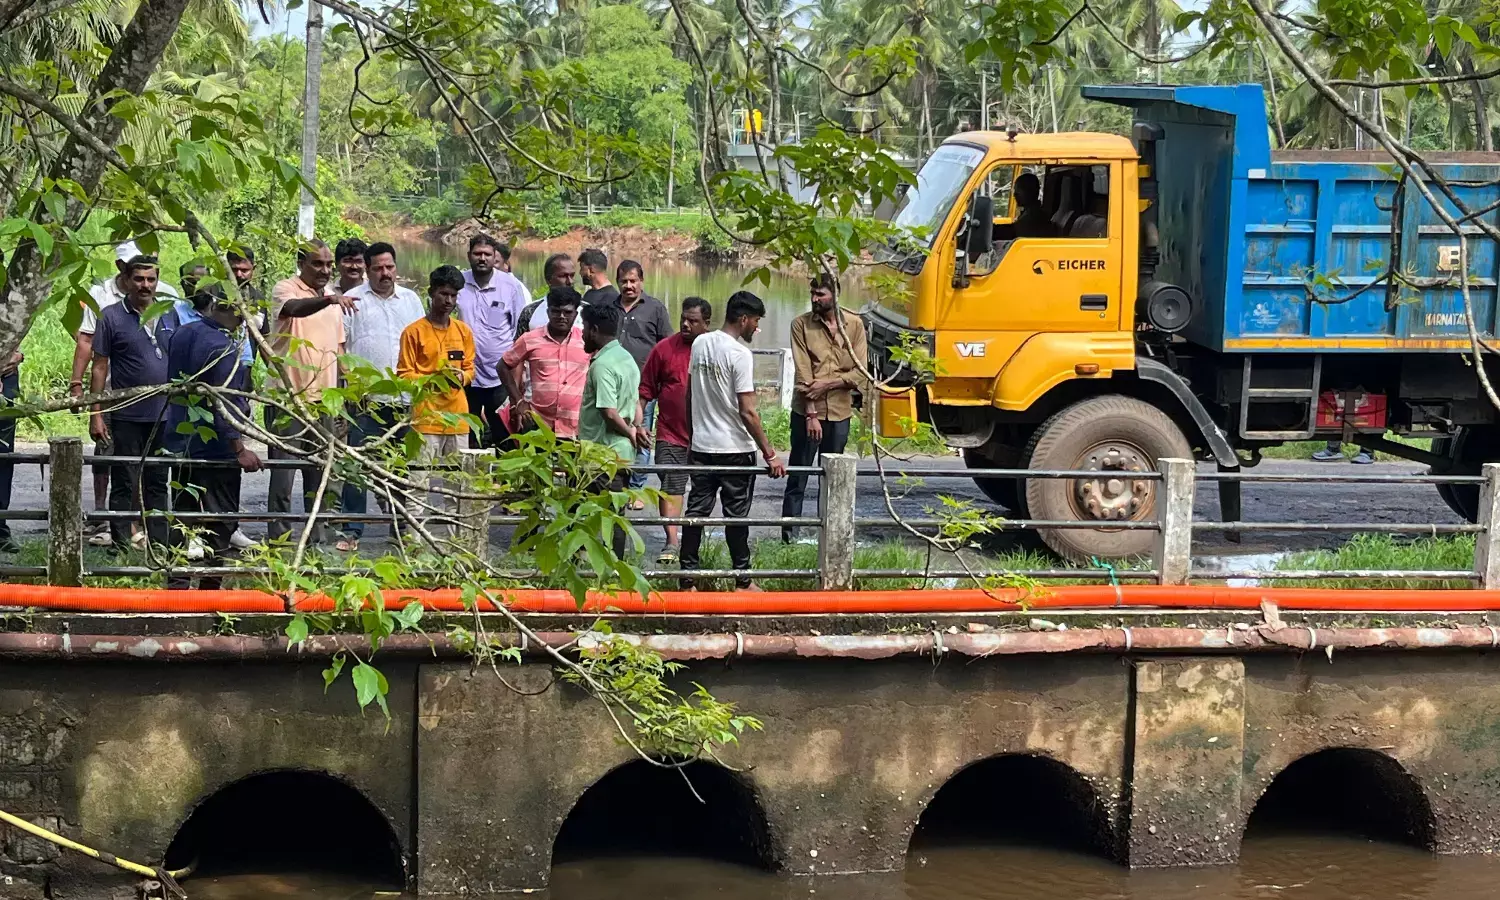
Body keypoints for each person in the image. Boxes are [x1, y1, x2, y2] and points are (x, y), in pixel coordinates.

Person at [72, 241, 179, 546]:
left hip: (164, 412)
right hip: (127, 412)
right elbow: (99, 366)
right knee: (124, 478)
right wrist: (96, 414)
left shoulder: (170, 312)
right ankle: (120, 546)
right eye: (139, 279)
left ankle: (160, 544)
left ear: (157, 280)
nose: (145, 285)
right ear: (128, 280)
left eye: (151, 279)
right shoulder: (110, 316)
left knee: (158, 480)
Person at [680, 291, 786, 590]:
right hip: (735, 449)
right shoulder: (739, 355)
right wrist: (770, 453)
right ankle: (743, 580)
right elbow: (748, 411)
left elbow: (690, 394)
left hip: (702, 447)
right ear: (743, 319)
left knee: (696, 514)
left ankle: (687, 579)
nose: (757, 328)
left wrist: (693, 434)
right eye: (756, 321)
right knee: (736, 518)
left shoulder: (701, 343)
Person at [164, 294, 261, 590]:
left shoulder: (184, 333)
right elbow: (225, 404)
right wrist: (239, 448)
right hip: (215, 445)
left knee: (182, 515)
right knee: (220, 519)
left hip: (181, 438)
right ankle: (209, 587)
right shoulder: (224, 347)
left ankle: (177, 584)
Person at [339, 241, 427, 549]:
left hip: (406, 398)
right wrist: (349, 391)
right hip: (366, 400)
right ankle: (351, 529)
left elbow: (422, 344)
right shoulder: (351, 300)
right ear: (367, 269)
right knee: (357, 463)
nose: (385, 273)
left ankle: (402, 525)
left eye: (389, 267)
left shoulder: (412, 300)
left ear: (396, 268)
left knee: (404, 464)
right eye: (378, 268)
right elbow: (341, 347)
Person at [267, 239, 355, 545]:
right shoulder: (285, 288)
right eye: (318, 263)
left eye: (329, 264)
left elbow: (339, 349)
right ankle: (279, 540)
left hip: (324, 401)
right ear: (301, 262)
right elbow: (292, 309)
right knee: (284, 474)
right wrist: (329, 301)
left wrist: (351, 389)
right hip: (288, 399)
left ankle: (318, 536)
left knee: (322, 473)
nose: (325, 270)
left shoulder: (333, 299)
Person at [782, 273, 868, 543]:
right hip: (808, 414)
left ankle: (830, 538)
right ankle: (789, 537)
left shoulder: (854, 325)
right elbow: (803, 374)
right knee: (799, 476)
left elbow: (860, 372)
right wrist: (811, 413)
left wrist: (828, 384)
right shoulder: (801, 325)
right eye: (813, 293)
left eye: (821, 294)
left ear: (835, 295)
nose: (814, 299)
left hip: (840, 412)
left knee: (833, 479)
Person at [398, 266, 475, 532]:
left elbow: (470, 368)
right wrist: (433, 379)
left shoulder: (463, 332)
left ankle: (457, 544)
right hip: (425, 418)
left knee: (456, 488)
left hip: (458, 418)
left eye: (454, 296)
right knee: (418, 484)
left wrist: (461, 378)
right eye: (444, 294)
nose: (449, 301)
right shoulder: (414, 332)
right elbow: (404, 373)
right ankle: (413, 544)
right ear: (431, 293)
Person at [637, 296, 711, 562]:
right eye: (683, 318)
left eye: (693, 321)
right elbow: (645, 390)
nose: (686, 324)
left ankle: (694, 543)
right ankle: (671, 542)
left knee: (703, 492)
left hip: (707, 436)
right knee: (671, 486)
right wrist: (639, 424)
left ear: (706, 324)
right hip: (670, 433)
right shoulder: (664, 349)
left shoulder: (714, 349)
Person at [578, 302, 641, 557]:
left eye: (583, 327)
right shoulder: (627, 358)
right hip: (621, 455)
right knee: (615, 514)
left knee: (596, 515)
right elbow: (635, 403)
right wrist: (637, 426)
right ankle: (615, 569)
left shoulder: (602, 365)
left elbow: (608, 411)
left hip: (602, 455)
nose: (581, 333)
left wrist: (630, 432)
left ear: (593, 330)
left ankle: (601, 571)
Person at [455, 234, 528, 450]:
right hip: (466, 374)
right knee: (467, 433)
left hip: (499, 376)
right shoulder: (459, 283)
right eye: (477, 254)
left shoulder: (511, 286)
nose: (482, 258)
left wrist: (517, 380)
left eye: (487, 254)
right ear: (469, 256)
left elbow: (519, 335)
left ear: (495, 256)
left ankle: (503, 480)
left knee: (504, 434)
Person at [614, 260, 673, 497]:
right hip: (613, 385)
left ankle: (636, 489)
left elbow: (666, 346)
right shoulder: (610, 307)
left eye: (633, 281)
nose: (628, 286)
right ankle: (617, 483)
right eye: (624, 281)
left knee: (641, 434)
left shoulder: (655, 309)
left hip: (643, 388)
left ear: (641, 281)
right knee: (616, 434)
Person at [501, 286, 588, 438]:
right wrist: (517, 400)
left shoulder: (586, 341)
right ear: (548, 311)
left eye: (567, 312)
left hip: (575, 427)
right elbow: (503, 366)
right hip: (537, 424)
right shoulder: (530, 339)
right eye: (556, 311)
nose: (561, 316)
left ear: (575, 313)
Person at [0, 250, 20, 553]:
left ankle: (0, 525)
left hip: (6, 384)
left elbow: (18, 343)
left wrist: (16, 356)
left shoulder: (11, 305)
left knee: (4, 456)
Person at [515, 253, 579, 340]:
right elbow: (518, 349)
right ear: (548, 279)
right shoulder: (530, 311)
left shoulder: (587, 310)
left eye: (572, 275)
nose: (570, 281)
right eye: (563, 276)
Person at [1013, 172, 1054, 238]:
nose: (1015, 194)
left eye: (1019, 190)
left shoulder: (1034, 217)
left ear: (1030, 191)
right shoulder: (1030, 212)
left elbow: (1015, 232)